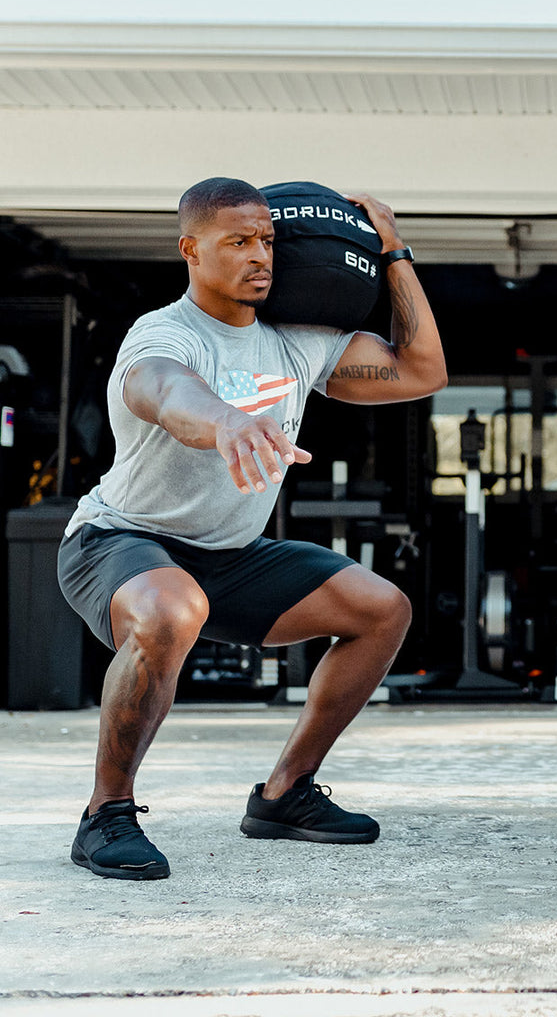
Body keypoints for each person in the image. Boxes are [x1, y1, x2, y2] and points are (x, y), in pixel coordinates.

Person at [58, 177, 447, 880]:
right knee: (175, 609)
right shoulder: (164, 332)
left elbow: (423, 371)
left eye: (266, 240)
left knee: (381, 609)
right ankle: (105, 815)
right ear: (192, 250)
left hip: (228, 556)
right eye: (237, 241)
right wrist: (227, 420)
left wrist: (395, 253)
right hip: (119, 541)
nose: (259, 255)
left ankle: (284, 794)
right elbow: (165, 393)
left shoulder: (300, 343)